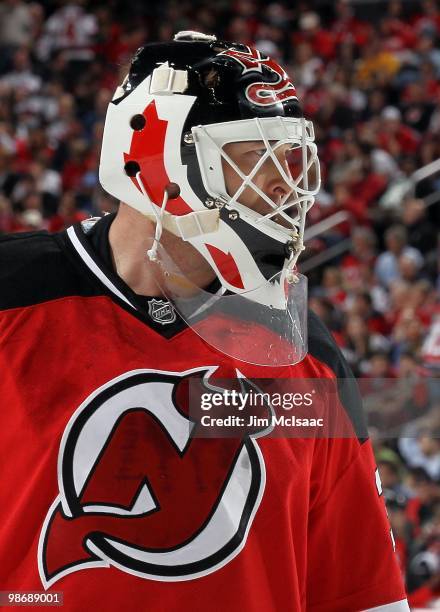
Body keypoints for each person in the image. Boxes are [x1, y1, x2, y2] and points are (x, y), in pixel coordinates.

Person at [0, 32, 408, 611]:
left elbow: (361, 592)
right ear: (156, 159)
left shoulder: (303, 349)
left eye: (287, 157)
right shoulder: (11, 297)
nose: (282, 185)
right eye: (253, 154)